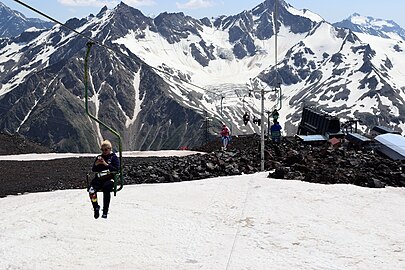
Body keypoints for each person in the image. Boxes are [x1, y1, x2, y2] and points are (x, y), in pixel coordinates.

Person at [88, 140, 120, 219]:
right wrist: (96, 164)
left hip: (109, 178)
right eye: (102, 150)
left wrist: (106, 164)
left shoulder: (114, 158)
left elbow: (116, 169)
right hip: (99, 178)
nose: (104, 151)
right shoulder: (99, 157)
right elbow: (94, 169)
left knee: (106, 188)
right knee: (91, 190)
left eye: (106, 149)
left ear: (110, 149)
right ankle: (95, 206)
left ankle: (105, 210)